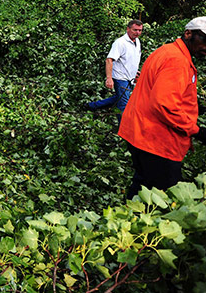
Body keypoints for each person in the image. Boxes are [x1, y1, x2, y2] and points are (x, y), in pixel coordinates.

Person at [119, 17, 206, 200]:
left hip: (140, 132)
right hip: (156, 140)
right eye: (204, 40)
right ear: (188, 34)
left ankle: (122, 224)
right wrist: (196, 131)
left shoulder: (167, 51)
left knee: (143, 187)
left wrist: (196, 108)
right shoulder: (178, 61)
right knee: (165, 198)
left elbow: (161, 91)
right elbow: (164, 105)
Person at [85, 20, 143, 120]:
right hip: (120, 78)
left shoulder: (137, 41)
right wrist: (109, 78)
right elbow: (109, 60)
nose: (137, 33)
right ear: (128, 29)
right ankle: (123, 130)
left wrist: (134, 71)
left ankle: (92, 106)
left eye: (140, 30)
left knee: (120, 98)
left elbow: (130, 59)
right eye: (135, 30)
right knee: (124, 105)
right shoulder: (120, 43)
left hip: (130, 78)